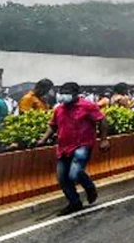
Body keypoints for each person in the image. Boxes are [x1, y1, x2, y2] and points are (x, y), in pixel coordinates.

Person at [37, 82, 110, 215]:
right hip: (63, 148)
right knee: (63, 178)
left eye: (67, 93)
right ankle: (74, 203)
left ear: (76, 94)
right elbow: (53, 126)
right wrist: (43, 139)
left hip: (82, 145)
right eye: (62, 93)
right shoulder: (59, 109)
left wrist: (104, 139)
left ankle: (89, 187)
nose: (64, 96)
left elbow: (102, 120)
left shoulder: (87, 106)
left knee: (74, 173)